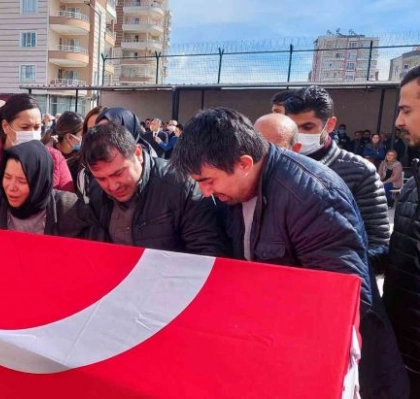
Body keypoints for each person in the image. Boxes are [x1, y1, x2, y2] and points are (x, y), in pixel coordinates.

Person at [170, 107, 408, 398]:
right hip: (274, 345)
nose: (205, 191)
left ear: (244, 162)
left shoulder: (311, 196)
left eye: (207, 180)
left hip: (331, 363)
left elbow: (341, 301)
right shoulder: (234, 189)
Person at [80, 122, 226, 255]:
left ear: (138, 154)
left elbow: (207, 254)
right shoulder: (95, 192)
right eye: (101, 179)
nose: (112, 186)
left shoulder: (181, 185)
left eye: (118, 173)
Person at [285, 86, 390, 271]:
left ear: (330, 124)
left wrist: (336, 270)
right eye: (292, 127)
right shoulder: (277, 166)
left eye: (307, 127)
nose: (298, 134)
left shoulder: (360, 172)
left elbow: (379, 245)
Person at [384, 66, 420, 396]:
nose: (398, 121)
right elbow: (402, 258)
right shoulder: (413, 185)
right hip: (402, 360)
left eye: (406, 110)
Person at [53, 111, 84, 183]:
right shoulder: (49, 155)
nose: (84, 137)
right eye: (82, 134)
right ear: (69, 137)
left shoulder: (82, 157)